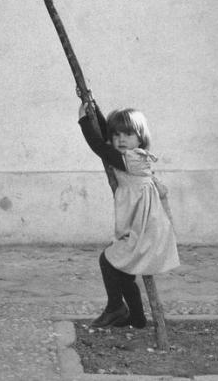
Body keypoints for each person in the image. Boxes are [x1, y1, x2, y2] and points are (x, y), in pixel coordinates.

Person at [78, 96, 179, 329]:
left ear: (140, 138)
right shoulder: (129, 155)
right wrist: (96, 110)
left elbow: (100, 146)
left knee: (108, 259)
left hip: (146, 228)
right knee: (123, 273)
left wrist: (85, 120)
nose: (121, 140)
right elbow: (106, 139)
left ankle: (115, 307)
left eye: (128, 135)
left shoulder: (132, 159)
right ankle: (137, 318)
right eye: (117, 135)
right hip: (143, 224)